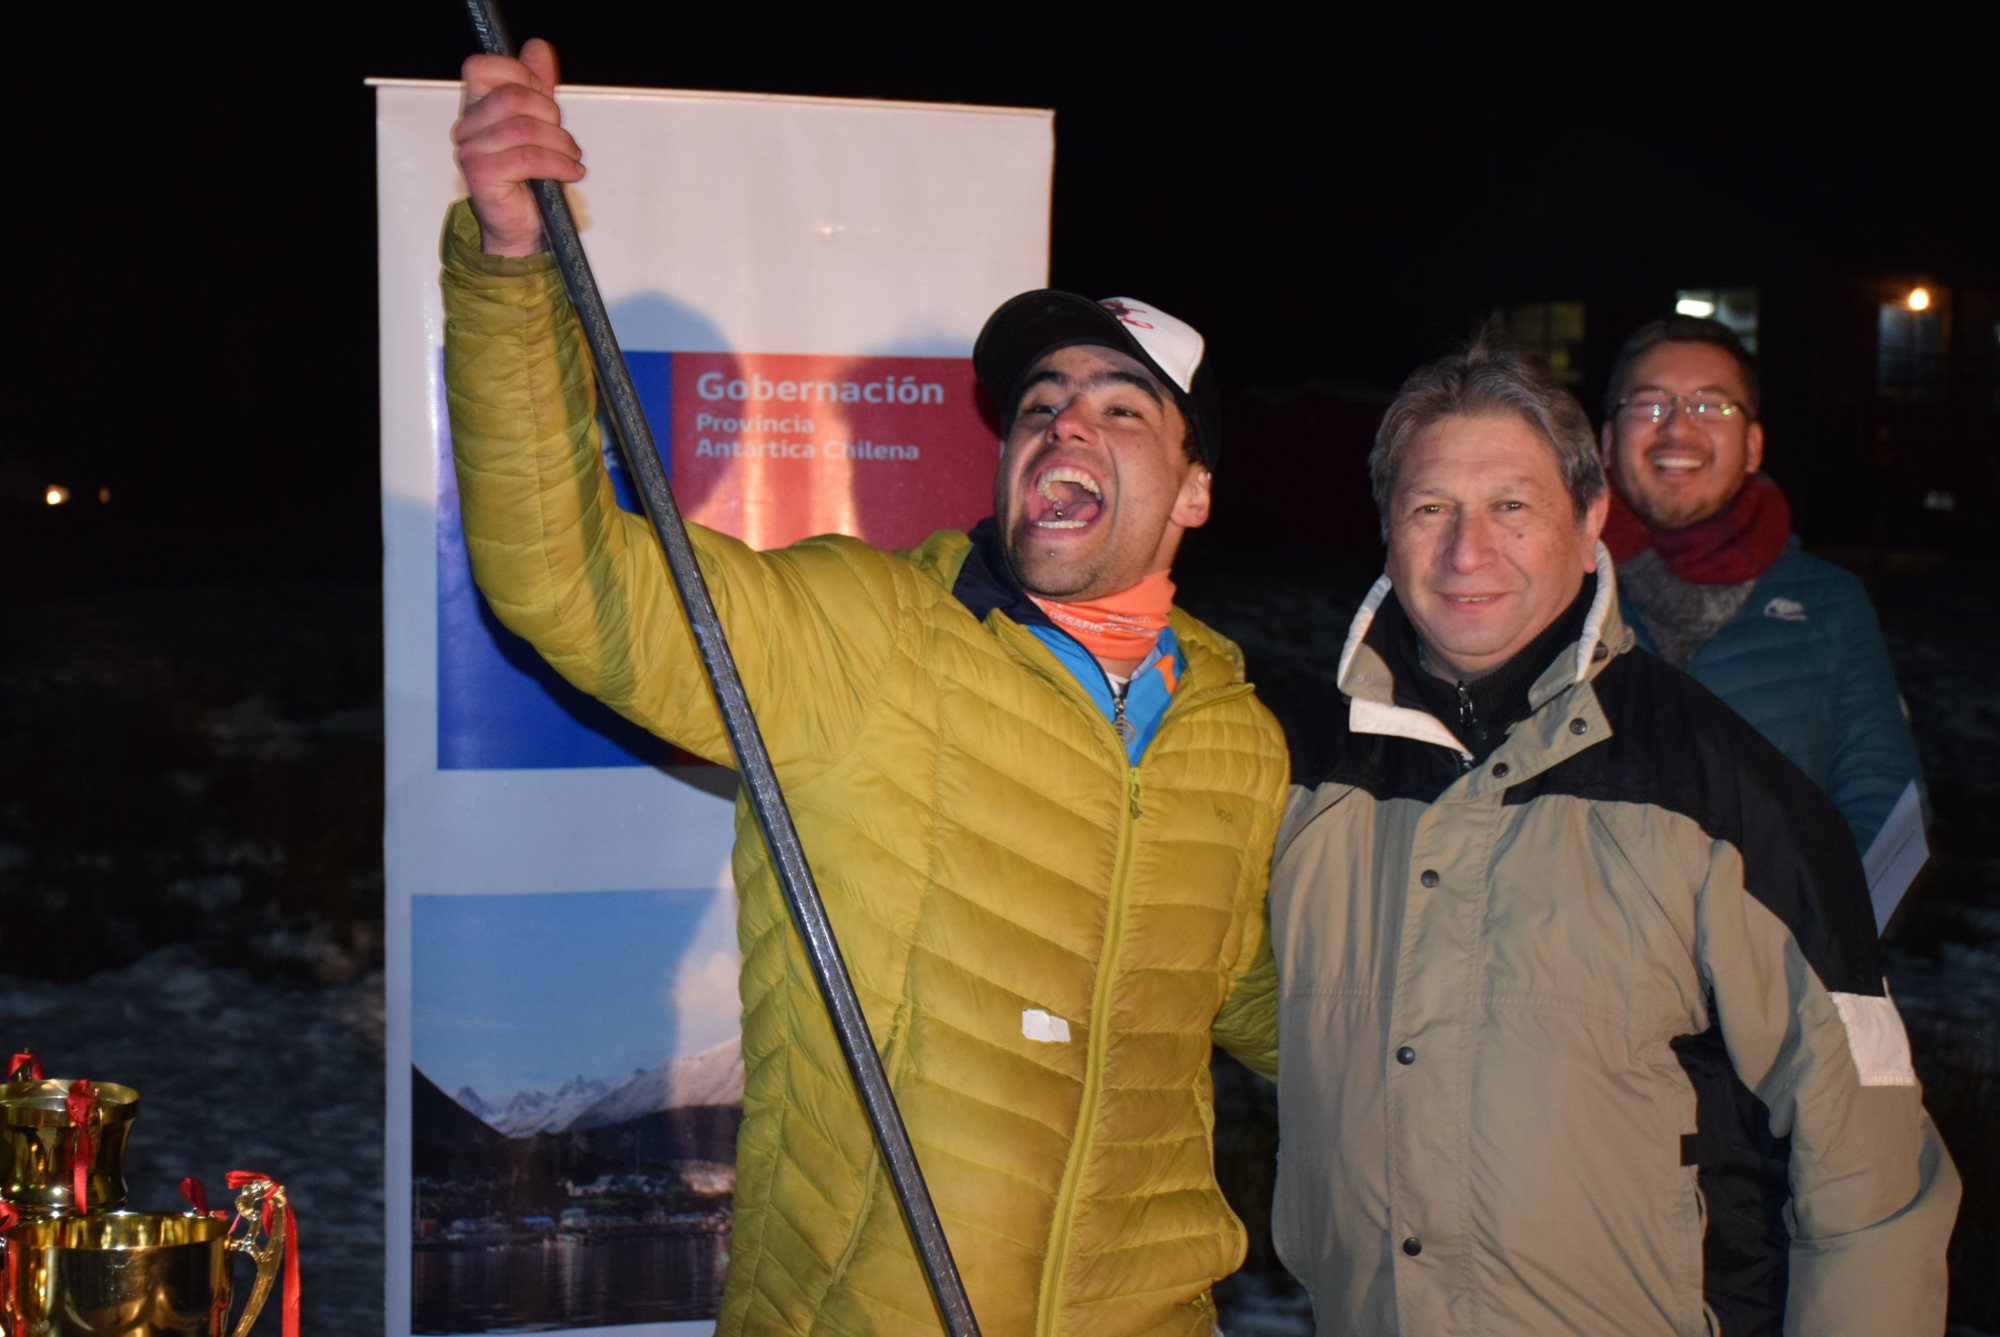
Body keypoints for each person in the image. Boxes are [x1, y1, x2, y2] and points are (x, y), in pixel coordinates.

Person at [444, 41, 1289, 1337]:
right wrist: (514, 269)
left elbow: (1284, 1009)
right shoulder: (868, 634)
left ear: (1194, 491)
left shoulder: (1235, 736)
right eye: (1041, 404)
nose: (1064, 423)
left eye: (1123, 410)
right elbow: (564, 579)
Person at [1259, 340, 1958, 1335]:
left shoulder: (1729, 794)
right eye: (1429, 508)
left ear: (1590, 519)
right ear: (1385, 528)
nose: (1466, 551)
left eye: (1511, 505)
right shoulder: (1298, 775)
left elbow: (1869, 1173)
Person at [1599, 316, 1922, 850]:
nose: (1677, 429)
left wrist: (1796, 908)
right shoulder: (1549, 595)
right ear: (1608, 441)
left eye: (1711, 406)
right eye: (1650, 404)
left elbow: (1887, 811)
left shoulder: (1831, 604)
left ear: (1752, 446)